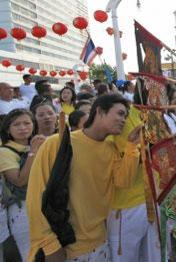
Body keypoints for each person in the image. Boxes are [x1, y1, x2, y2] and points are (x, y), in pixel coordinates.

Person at [26, 94, 142, 261]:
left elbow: (123, 181)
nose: (123, 120)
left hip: (100, 244)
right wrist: (49, 245)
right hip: (65, 248)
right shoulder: (57, 143)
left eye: (125, 116)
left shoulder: (111, 149)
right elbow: (35, 198)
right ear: (100, 111)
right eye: (120, 113)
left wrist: (132, 146)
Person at [106, 85, 161, 262]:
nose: (158, 96)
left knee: (153, 256)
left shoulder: (148, 114)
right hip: (125, 207)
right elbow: (121, 176)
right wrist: (138, 148)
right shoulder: (111, 128)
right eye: (154, 91)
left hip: (152, 198)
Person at [0, 109, 45, 261]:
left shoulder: (39, 144)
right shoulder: (5, 152)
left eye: (27, 123)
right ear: (8, 129)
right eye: (16, 124)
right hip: (22, 210)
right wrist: (33, 152)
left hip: (43, 204)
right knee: (29, 254)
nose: (23, 128)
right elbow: (19, 181)